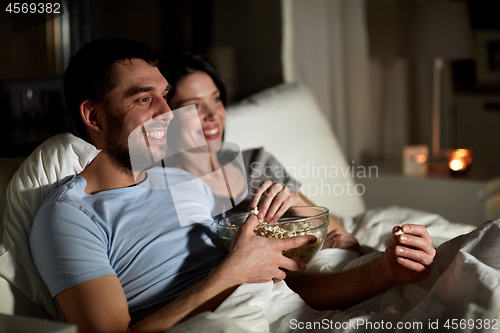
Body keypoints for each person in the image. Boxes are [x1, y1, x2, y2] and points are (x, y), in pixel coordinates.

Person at [29, 38, 435, 333]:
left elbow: (284, 283)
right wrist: (236, 267)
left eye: (166, 98)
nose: (168, 115)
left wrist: (384, 272)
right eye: (143, 100)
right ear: (93, 117)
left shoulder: (184, 183)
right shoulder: (68, 216)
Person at [159, 52, 361, 252]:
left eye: (216, 99)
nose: (213, 114)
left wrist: (295, 199)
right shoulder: (166, 190)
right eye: (194, 106)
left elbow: (342, 238)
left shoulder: (255, 162)